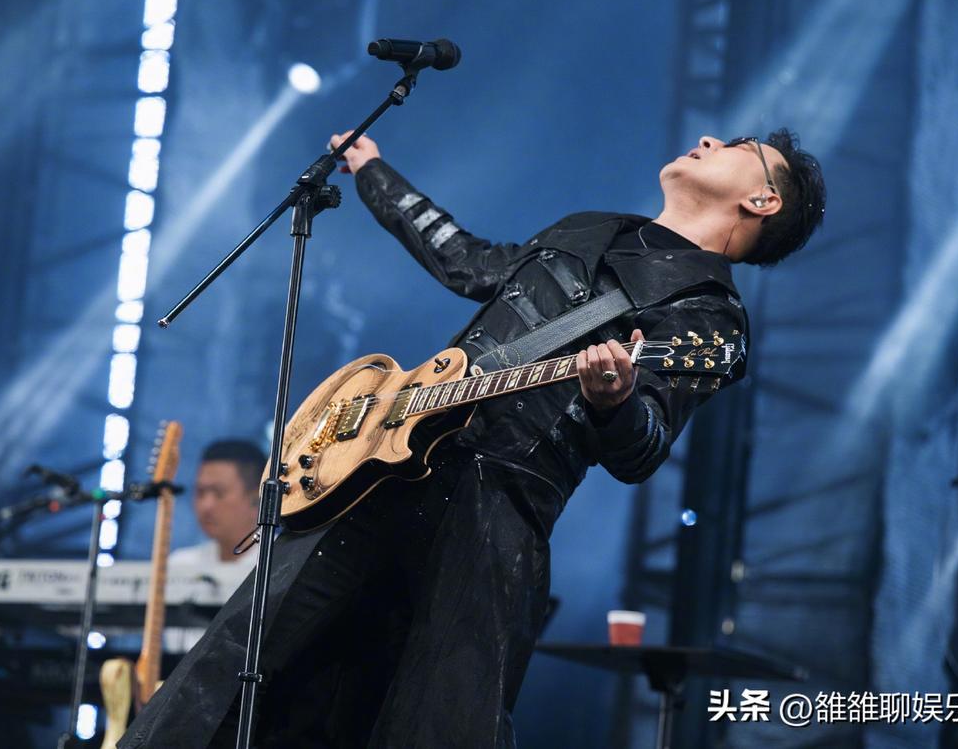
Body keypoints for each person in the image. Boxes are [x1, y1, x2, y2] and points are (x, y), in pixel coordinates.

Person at [121, 131, 826, 749]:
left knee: (438, 719)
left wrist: (612, 401)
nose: (708, 140)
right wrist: (374, 173)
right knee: (240, 666)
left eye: (739, 147)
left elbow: (641, 450)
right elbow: (468, 261)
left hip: (492, 516)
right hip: (381, 468)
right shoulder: (588, 226)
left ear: (762, 200)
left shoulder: (708, 314)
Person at [167, 439, 264, 603]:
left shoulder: (278, 564)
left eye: (219, 493)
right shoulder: (180, 565)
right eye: (200, 492)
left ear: (256, 498)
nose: (206, 505)